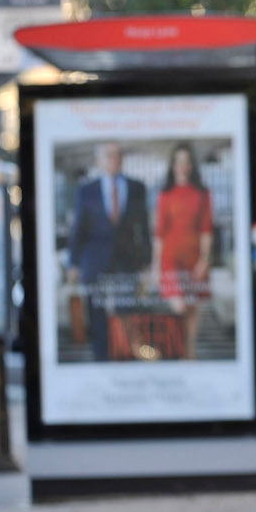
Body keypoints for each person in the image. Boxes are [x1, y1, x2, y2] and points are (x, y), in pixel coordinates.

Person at [68, 142, 152, 361]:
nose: (114, 160)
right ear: (99, 161)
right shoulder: (87, 190)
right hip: (95, 261)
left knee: (127, 308)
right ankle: (102, 357)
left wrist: (147, 260)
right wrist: (74, 263)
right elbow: (79, 228)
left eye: (117, 155)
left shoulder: (136, 187)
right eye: (108, 156)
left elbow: (143, 227)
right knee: (97, 313)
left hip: (127, 258)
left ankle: (125, 353)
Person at [152, 143, 213, 360]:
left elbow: (206, 228)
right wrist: (156, 265)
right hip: (171, 257)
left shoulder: (203, 194)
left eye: (186, 161)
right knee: (179, 306)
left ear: (191, 166)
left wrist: (204, 259)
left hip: (194, 256)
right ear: (173, 165)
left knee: (193, 309)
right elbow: (159, 232)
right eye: (178, 161)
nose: (182, 166)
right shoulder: (165, 195)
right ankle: (179, 351)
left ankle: (189, 355)